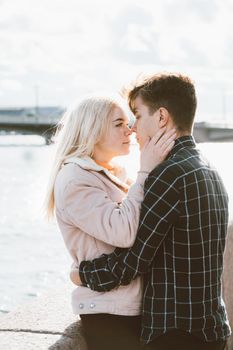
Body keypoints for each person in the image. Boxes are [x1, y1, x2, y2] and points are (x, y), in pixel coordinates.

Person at [74, 73, 231, 350]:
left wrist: (82, 274)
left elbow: (133, 262)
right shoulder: (208, 168)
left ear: (161, 117)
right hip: (211, 329)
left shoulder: (169, 174)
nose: (133, 128)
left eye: (137, 115)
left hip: (176, 334)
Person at [45, 94, 176, 350]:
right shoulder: (75, 179)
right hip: (108, 312)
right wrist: (146, 170)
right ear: (92, 131)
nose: (129, 130)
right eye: (118, 124)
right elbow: (124, 232)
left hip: (125, 305)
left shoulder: (107, 174)